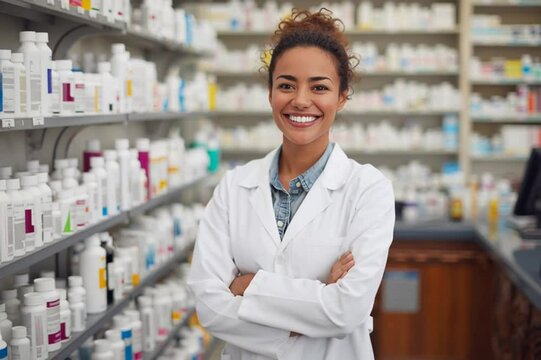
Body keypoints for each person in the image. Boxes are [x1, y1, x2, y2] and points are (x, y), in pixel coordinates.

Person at [188, 8, 395, 360]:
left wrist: (247, 286)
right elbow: (209, 307)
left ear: (342, 96)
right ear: (270, 93)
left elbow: (346, 311)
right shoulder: (234, 187)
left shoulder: (368, 189)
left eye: (319, 87)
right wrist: (315, 303)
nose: (300, 100)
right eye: (286, 85)